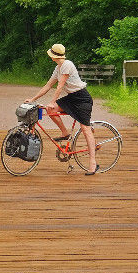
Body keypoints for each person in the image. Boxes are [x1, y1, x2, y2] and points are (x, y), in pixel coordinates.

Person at [28, 43, 99, 175]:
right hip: (71, 98)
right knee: (51, 110)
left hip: (82, 98)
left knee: (85, 128)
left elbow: (60, 86)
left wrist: (52, 101)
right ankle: (65, 133)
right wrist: (33, 99)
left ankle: (93, 163)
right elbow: (48, 85)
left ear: (53, 56)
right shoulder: (58, 68)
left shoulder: (67, 65)